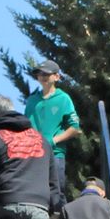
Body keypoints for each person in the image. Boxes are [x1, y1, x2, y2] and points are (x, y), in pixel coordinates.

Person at [24, 60, 82, 201]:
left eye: (47, 73)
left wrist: (53, 141)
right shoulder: (32, 100)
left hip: (55, 154)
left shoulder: (63, 99)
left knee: (55, 192)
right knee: (32, 190)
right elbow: (25, 126)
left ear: (56, 77)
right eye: (40, 73)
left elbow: (75, 128)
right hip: (33, 154)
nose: (42, 76)